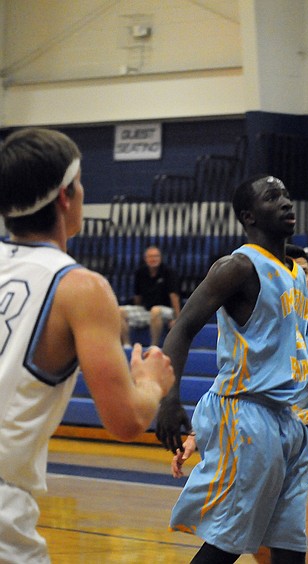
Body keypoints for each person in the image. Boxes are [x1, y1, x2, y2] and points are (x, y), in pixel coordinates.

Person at [0, 127, 175, 561]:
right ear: (65, 195)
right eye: (80, 185)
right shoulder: (80, 287)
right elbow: (126, 421)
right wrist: (151, 383)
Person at [155, 174, 308, 563]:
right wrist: (168, 399)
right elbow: (182, 329)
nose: (286, 202)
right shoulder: (237, 267)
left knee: (290, 544)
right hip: (244, 414)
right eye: (273, 197)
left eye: (287, 194)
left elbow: (295, 338)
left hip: (288, 420)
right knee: (228, 541)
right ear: (248, 216)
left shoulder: (295, 274)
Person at [197, 244, 308, 564]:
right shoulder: (267, 327)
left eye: (303, 272)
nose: (297, 279)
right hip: (290, 429)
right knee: (259, 521)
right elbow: (234, 384)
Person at [119, 245, 182, 346]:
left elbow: (174, 296)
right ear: (145, 259)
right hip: (146, 309)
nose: (153, 259)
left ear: (160, 258)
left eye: (156, 256)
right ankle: (126, 345)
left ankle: (154, 345)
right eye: (151, 257)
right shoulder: (140, 273)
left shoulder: (169, 272)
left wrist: (177, 319)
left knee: (155, 310)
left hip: (166, 310)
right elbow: (137, 297)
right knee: (120, 311)